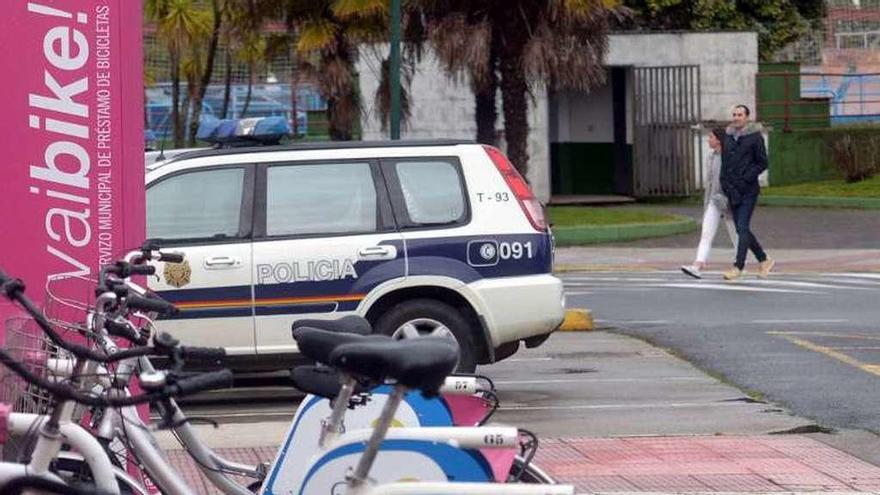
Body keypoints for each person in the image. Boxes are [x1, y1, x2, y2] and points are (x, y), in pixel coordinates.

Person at [720, 104, 774, 281]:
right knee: (741, 229)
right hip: (732, 190)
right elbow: (725, 162)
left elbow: (762, 162)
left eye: (740, 114)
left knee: (742, 227)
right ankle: (764, 260)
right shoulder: (727, 136)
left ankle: (738, 266)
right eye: (734, 114)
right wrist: (724, 183)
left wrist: (746, 177)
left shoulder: (755, 137)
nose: (736, 117)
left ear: (747, 117)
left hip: (748, 190)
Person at [681, 127, 737, 279]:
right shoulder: (711, 158)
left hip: (729, 202)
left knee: (736, 235)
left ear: (718, 139)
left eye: (711, 137)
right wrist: (707, 205)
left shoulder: (730, 157)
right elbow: (710, 184)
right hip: (714, 201)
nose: (708, 140)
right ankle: (698, 265)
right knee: (706, 233)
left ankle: (741, 264)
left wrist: (731, 200)